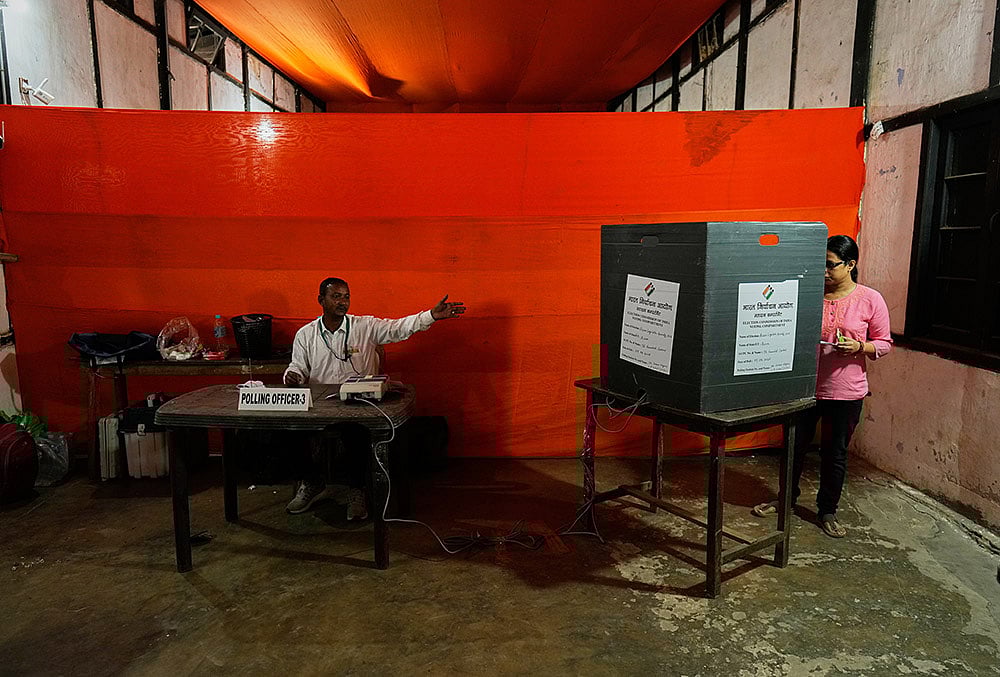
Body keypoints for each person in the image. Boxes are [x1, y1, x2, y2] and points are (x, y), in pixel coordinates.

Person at [282, 277, 466, 517]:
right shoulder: (305, 334)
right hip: (320, 407)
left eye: (346, 296)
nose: (343, 302)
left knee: (355, 432)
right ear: (321, 300)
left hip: (359, 405)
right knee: (290, 430)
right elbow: (297, 366)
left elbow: (398, 328)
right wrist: (292, 375)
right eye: (336, 296)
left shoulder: (365, 326)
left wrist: (430, 316)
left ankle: (356, 491)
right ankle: (311, 483)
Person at [751, 235, 892, 538]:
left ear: (851, 264)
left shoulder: (870, 299)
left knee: (834, 453)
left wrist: (859, 346)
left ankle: (827, 510)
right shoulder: (808, 294)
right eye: (820, 266)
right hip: (803, 389)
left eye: (830, 266)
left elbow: (884, 344)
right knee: (793, 448)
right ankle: (786, 500)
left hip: (846, 391)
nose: (824, 272)